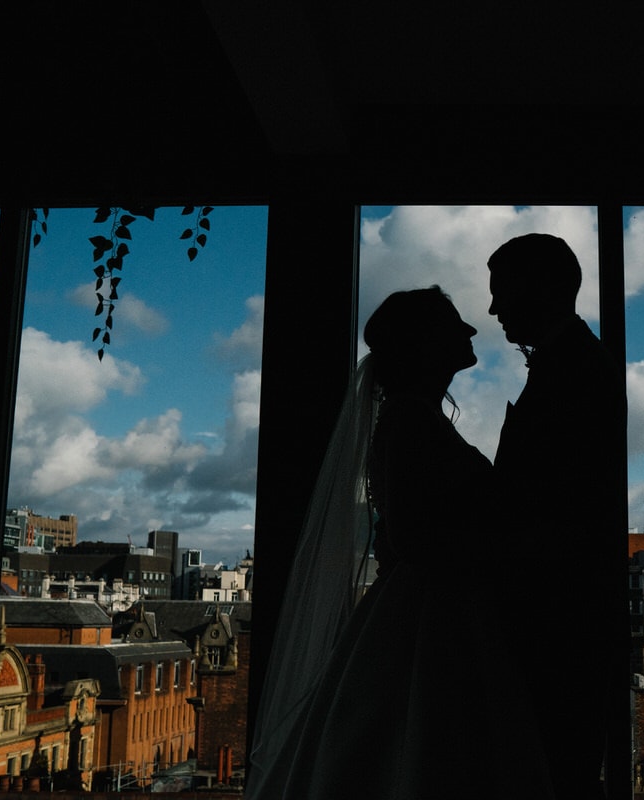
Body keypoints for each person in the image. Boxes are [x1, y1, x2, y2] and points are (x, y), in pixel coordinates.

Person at [247, 286, 553, 800]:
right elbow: (415, 537)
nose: (473, 330)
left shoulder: (414, 417)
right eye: (457, 323)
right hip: (436, 615)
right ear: (426, 342)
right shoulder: (411, 420)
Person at [487, 233, 624, 800]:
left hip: (556, 630)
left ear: (540, 289)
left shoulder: (576, 370)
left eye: (501, 293)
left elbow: (562, 506)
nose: (493, 309)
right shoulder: (570, 363)